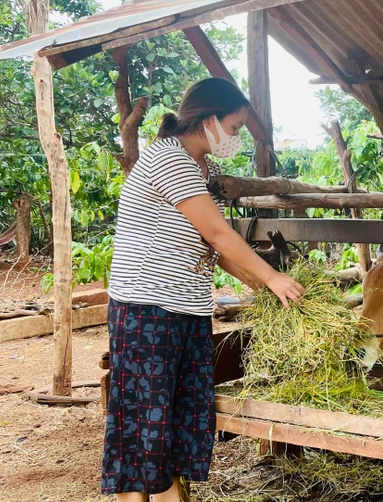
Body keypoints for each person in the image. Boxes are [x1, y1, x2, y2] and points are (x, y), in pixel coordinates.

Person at [101, 77, 303, 501]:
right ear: (208, 119)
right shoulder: (168, 160)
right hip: (147, 308)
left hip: (187, 308)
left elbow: (215, 249)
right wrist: (272, 276)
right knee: (145, 425)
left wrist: (265, 288)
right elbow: (218, 233)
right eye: (233, 128)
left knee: (175, 420)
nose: (235, 138)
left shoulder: (203, 169)